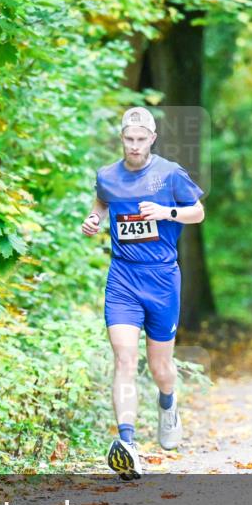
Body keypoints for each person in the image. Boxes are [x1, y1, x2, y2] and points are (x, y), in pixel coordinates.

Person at [82, 107, 206, 480]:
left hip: (162, 279)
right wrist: (94, 219)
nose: (134, 146)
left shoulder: (169, 174)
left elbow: (197, 212)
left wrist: (167, 213)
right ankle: (127, 443)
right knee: (124, 358)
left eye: (141, 139)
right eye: (128, 139)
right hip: (122, 277)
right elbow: (102, 202)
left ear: (152, 138)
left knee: (160, 368)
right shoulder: (107, 176)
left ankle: (168, 405)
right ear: (121, 138)